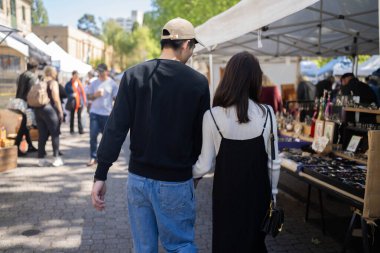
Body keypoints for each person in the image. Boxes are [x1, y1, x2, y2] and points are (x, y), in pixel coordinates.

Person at [91, 17, 210, 252]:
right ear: (185, 44)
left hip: (138, 180)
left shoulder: (133, 75)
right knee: (180, 245)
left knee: (143, 248)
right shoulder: (197, 82)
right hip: (176, 180)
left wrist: (100, 174)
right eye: (193, 46)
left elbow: (115, 128)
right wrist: (193, 176)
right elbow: (201, 136)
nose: (193, 52)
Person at [193, 51, 280, 253]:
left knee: (227, 244)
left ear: (229, 77)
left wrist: (187, 176)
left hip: (226, 196)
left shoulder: (212, 116)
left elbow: (204, 165)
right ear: (255, 79)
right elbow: (274, 162)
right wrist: (274, 194)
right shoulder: (267, 113)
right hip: (259, 195)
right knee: (255, 245)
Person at [85, 63, 118, 166]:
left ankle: (104, 159)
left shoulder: (112, 84)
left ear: (106, 71)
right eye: (98, 72)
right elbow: (88, 97)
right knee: (93, 136)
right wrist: (95, 95)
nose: (100, 74)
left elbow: (116, 99)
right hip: (94, 113)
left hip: (106, 114)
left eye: (102, 71)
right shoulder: (94, 83)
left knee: (106, 138)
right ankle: (93, 157)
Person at [34, 66, 64, 167]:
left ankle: (41, 159)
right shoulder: (53, 82)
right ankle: (56, 158)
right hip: (49, 110)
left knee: (42, 135)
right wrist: (60, 111)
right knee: (55, 133)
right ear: (53, 73)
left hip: (38, 109)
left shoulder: (40, 81)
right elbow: (55, 97)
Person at [14, 59, 38, 155]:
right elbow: (31, 91)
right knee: (24, 125)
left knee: (25, 125)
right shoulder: (32, 76)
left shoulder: (21, 75)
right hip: (26, 103)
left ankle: (30, 145)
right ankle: (16, 146)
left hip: (19, 102)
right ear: (35, 68)